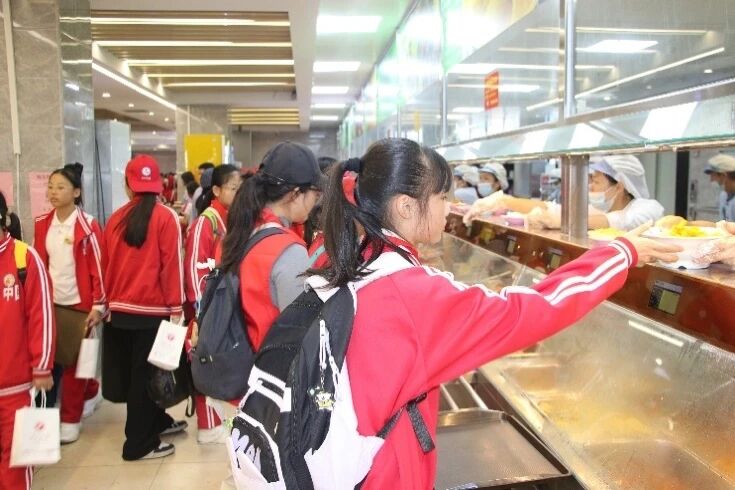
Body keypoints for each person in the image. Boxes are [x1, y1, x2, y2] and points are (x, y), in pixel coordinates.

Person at [309, 138, 680, 489]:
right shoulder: (410, 292)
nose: (449, 208)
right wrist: (622, 253)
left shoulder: (362, 256)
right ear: (406, 207)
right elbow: (530, 310)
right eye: (442, 197)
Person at [103, 154, 186, 461]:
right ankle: (138, 444)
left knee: (137, 376)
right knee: (147, 378)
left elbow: (106, 265)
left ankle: (157, 422)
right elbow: (171, 266)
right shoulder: (166, 218)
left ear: (128, 185)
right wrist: (177, 308)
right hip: (153, 312)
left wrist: (104, 305)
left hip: (119, 311)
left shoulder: (115, 219)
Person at [218, 141, 322, 352]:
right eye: (315, 193)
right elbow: (302, 332)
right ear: (296, 194)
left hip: (238, 357)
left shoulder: (242, 230)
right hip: (269, 364)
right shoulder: (289, 251)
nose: (316, 201)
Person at [33, 163, 106, 444]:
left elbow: (98, 268)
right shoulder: (42, 224)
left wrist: (98, 304)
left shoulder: (88, 225)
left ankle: (70, 419)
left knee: (76, 363)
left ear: (76, 192)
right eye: (50, 187)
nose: (53, 192)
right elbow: (39, 266)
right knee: (52, 360)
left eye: (60, 187)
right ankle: (91, 392)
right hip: (50, 305)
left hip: (80, 306)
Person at [0, 191, 55, 490]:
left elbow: (41, 316)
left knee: (16, 460)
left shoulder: (24, 258)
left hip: (15, 386)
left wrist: (42, 365)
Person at [184, 164, 240, 443]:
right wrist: (200, 310)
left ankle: (219, 421)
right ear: (216, 190)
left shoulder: (229, 219)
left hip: (223, 304)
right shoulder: (206, 222)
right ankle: (207, 426)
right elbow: (195, 267)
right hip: (207, 306)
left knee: (219, 360)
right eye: (233, 188)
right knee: (205, 358)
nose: (237, 193)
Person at [464, 155, 664, 231]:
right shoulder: (596, 209)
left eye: (595, 181)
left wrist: (560, 222)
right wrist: (504, 200)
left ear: (619, 186)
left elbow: (621, 222)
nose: (590, 187)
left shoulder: (648, 208)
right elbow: (549, 207)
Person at [706, 152, 735, 221]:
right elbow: (722, 224)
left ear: (724, 176)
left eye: (713, 176)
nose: (711, 180)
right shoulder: (723, 196)